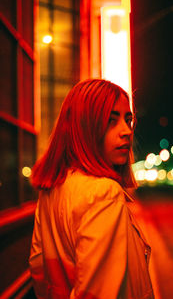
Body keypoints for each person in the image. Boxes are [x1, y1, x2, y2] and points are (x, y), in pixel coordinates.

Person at [29, 79, 154, 299]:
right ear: (84, 126)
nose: (126, 131)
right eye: (110, 121)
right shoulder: (103, 193)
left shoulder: (52, 189)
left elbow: (40, 271)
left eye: (128, 120)